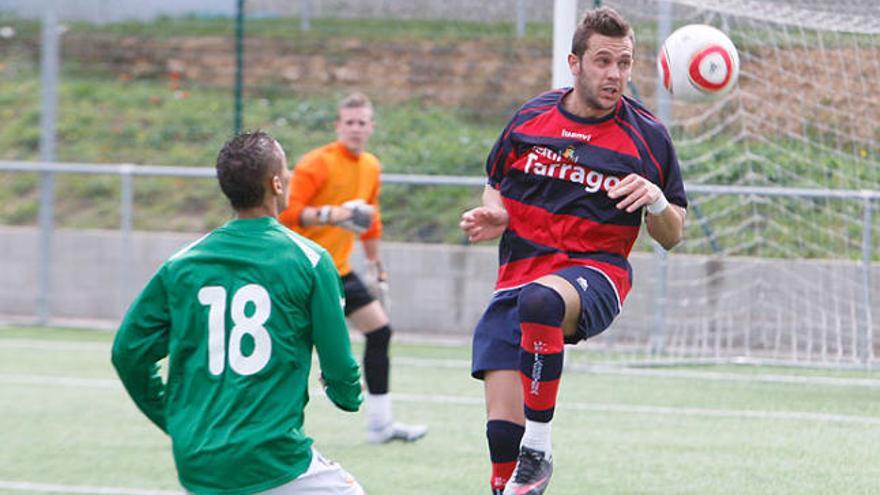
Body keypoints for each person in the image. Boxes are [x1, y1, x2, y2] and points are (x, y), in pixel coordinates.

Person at [460, 7, 688, 495]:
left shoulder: (648, 137)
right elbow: (494, 183)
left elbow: (673, 234)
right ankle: (521, 460)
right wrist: (495, 211)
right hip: (518, 279)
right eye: (603, 61)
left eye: (624, 63)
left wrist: (656, 199)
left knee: (542, 302)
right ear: (575, 63)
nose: (615, 74)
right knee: (502, 447)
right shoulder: (530, 118)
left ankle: (539, 449)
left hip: (595, 275)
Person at [112, 130, 366, 495]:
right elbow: (339, 365)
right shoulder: (309, 260)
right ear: (276, 184)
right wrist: (348, 396)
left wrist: (173, 417)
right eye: (286, 168)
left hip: (198, 459)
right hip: (273, 458)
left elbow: (127, 353)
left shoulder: (182, 265)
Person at [278, 92, 428, 444]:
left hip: (338, 271)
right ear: (337, 126)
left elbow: (370, 221)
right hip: (303, 271)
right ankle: (274, 426)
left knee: (380, 331)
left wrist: (377, 267)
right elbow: (285, 213)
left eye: (362, 123)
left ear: (371, 127)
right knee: (293, 348)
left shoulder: (371, 166)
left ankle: (381, 424)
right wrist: (332, 213)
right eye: (350, 122)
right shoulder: (317, 163)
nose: (356, 129)